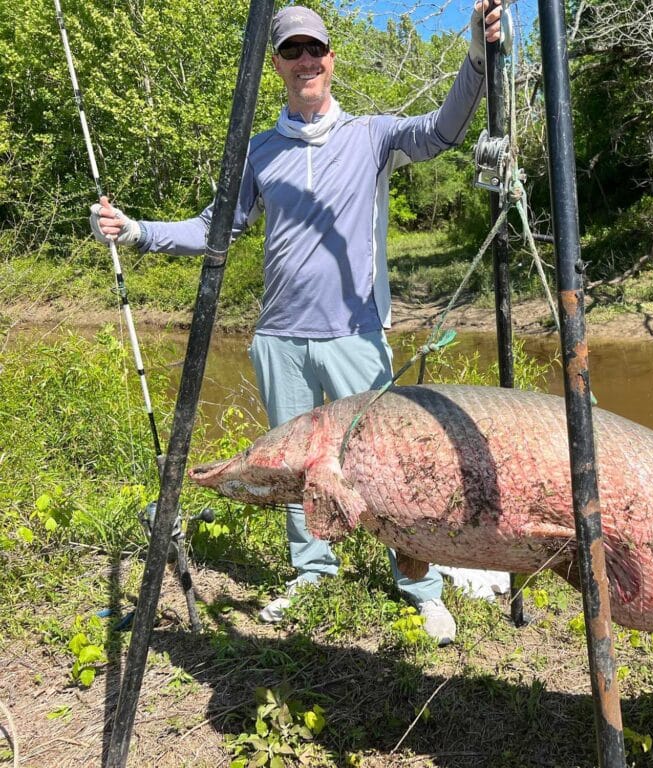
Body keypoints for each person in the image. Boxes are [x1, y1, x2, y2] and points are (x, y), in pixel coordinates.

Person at [90, 1, 505, 644]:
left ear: (331, 58)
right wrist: (136, 230)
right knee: (295, 468)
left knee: (385, 461)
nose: (305, 60)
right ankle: (313, 570)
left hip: (355, 334)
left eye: (315, 48)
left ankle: (419, 583)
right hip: (278, 338)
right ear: (278, 65)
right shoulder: (258, 152)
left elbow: (444, 130)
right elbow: (213, 227)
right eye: (291, 51)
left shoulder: (373, 136)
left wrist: (477, 56)